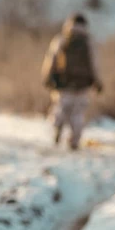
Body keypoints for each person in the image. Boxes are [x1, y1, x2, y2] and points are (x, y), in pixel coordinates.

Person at [40, 13, 103, 150]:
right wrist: (97, 81)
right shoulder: (88, 41)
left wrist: (47, 76)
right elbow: (94, 63)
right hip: (82, 85)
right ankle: (74, 141)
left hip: (64, 83)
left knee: (60, 109)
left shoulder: (62, 39)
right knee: (78, 114)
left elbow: (51, 59)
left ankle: (57, 130)